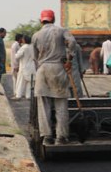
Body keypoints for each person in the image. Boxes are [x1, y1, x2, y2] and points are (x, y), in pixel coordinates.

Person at [32, 9, 78, 145]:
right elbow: (73, 43)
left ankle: (47, 136)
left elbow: (35, 57)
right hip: (58, 68)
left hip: (43, 69)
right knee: (61, 104)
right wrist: (69, 59)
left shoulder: (36, 35)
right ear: (54, 19)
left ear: (42, 20)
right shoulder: (61, 31)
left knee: (44, 105)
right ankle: (61, 136)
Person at [8, 33, 23, 98]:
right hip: (16, 66)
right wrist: (16, 66)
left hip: (18, 65)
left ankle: (17, 93)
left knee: (18, 80)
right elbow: (14, 57)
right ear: (19, 39)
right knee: (16, 80)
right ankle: (16, 93)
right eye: (22, 38)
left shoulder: (18, 45)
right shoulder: (15, 46)